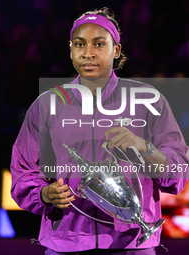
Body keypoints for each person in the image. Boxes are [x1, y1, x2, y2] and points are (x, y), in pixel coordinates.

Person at [10, 7, 189, 255]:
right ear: (70, 49)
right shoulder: (46, 105)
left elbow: (178, 172)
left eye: (99, 44)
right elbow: (23, 172)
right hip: (66, 241)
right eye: (79, 44)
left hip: (132, 243)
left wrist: (144, 147)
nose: (88, 53)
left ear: (116, 50)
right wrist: (44, 194)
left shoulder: (149, 101)